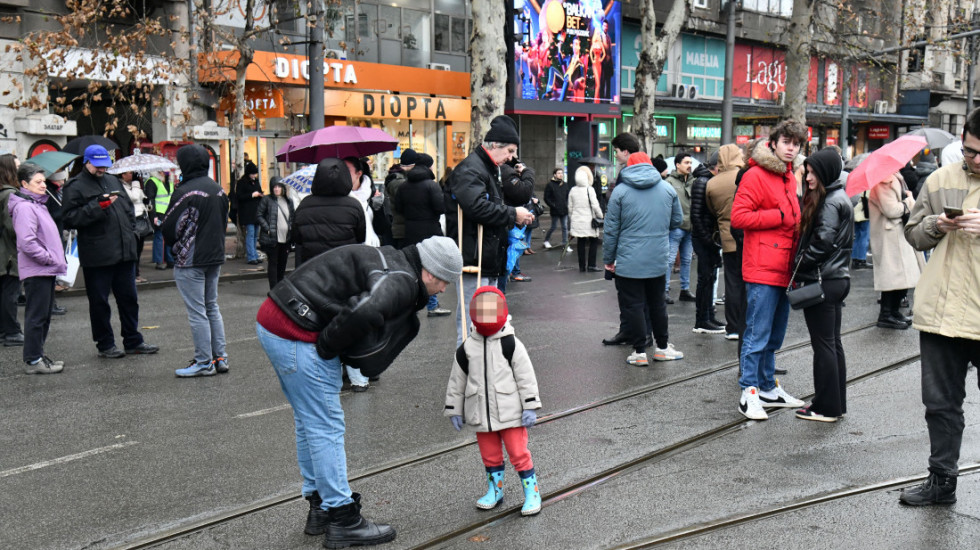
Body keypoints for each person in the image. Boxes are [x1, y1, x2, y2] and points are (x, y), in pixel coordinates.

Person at [255, 235, 462, 547]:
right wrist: (327, 348)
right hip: (296, 330)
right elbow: (366, 310)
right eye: (445, 281)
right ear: (430, 272)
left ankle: (321, 508)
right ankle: (342, 516)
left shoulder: (394, 259)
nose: (444, 290)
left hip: (277, 317)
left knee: (309, 421)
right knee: (325, 425)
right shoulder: (402, 280)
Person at [900, 107, 980, 506]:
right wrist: (936, 225)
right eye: (969, 150)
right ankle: (942, 482)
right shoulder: (940, 178)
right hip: (941, 314)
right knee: (940, 405)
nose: (976, 159)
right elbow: (913, 233)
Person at [730, 120, 808, 421]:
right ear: (773, 143)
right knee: (757, 334)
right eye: (786, 142)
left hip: (783, 267)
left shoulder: (789, 176)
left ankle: (766, 386)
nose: (791, 148)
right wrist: (778, 215)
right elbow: (738, 217)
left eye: (796, 144)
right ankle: (748, 390)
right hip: (762, 267)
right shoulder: (755, 174)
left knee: (774, 335)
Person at [445, 286, 543, 516]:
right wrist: (454, 409)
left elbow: (526, 377)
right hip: (480, 414)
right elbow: (457, 380)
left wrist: (529, 405)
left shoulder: (511, 344)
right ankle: (495, 490)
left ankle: (532, 492)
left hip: (511, 414)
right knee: (489, 455)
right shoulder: (467, 347)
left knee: (518, 454)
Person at [61, 145, 159, 359]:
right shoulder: (75, 186)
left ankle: (133, 341)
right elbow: (68, 218)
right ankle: (105, 344)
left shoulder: (112, 180)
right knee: (100, 303)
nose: (101, 169)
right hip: (98, 255)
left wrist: (132, 232)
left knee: (129, 300)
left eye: (104, 165)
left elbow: (127, 209)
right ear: (87, 162)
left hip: (124, 251)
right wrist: (98, 206)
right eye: (97, 165)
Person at [447, 115, 535, 347]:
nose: (511, 157)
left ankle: (481, 369)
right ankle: (467, 371)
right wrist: (512, 214)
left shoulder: (489, 168)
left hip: (486, 259)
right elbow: (476, 207)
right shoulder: (471, 169)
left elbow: (491, 206)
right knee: (471, 322)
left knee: (485, 321)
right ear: (494, 145)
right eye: (509, 150)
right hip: (474, 260)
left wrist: (511, 214)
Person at [603, 152, 684, 366]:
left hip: (628, 259)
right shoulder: (667, 188)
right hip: (657, 257)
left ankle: (639, 352)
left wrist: (609, 259)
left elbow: (611, 230)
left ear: (628, 167)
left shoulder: (619, 191)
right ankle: (663, 348)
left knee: (633, 305)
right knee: (657, 304)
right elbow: (677, 220)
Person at [791, 148, 852, 422]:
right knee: (832, 343)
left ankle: (825, 407)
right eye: (807, 171)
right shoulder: (839, 197)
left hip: (823, 280)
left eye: (814, 172)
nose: (808, 176)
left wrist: (798, 263)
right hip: (837, 278)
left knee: (824, 345)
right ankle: (833, 402)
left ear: (826, 172)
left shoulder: (829, 202)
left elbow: (822, 243)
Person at [161, 145, 230, 378]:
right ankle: (220, 357)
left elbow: (170, 228)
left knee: (197, 311)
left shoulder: (185, 192)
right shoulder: (219, 190)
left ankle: (203, 361)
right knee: (211, 306)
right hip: (215, 255)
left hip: (190, 258)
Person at [9, 163, 67, 373]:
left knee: (43, 316)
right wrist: (49, 258)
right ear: (24, 183)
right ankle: (34, 361)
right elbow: (27, 242)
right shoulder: (25, 207)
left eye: (44, 181)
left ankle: (38, 356)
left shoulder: (36, 203)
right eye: (38, 182)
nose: (44, 185)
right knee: (37, 316)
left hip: (45, 268)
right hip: (39, 269)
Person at [395, 153, 452, 316]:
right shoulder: (431, 185)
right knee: (431, 268)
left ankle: (412, 303)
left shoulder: (404, 186)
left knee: (414, 267)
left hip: (410, 229)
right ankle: (432, 305)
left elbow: (398, 208)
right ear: (428, 166)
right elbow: (440, 207)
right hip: (430, 230)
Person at [869, 172, 922, 329]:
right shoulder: (883, 182)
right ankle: (886, 314)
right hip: (889, 234)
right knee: (892, 276)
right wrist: (909, 202)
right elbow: (890, 210)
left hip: (896, 233)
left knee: (901, 276)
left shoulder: (894, 177)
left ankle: (893, 311)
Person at [706, 144, 747, 341]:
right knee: (749, 283)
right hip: (748, 235)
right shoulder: (746, 176)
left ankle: (732, 327)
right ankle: (747, 324)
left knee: (732, 283)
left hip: (727, 237)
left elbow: (712, 210)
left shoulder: (713, 183)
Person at [292, 158, 365, 265]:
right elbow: (361, 236)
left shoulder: (304, 205)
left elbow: (297, 237)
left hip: (312, 267)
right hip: (344, 266)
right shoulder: (354, 205)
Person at [689, 152, 725, 334]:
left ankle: (708, 316)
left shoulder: (706, 180)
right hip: (704, 238)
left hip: (708, 237)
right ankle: (702, 319)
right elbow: (696, 215)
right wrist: (707, 239)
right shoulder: (703, 182)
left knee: (710, 277)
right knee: (705, 279)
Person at [665, 152, 696, 303]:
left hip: (690, 227)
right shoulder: (669, 182)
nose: (689, 165)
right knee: (669, 260)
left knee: (686, 260)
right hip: (676, 227)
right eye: (686, 162)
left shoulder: (693, 181)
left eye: (690, 163)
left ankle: (685, 289)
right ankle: (664, 290)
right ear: (677, 165)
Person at [0, 153, 24, 347]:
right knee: (10, 292)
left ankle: (5, 330)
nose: (20, 169)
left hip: (3, 251)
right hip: (8, 252)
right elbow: (12, 227)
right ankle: (12, 331)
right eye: (17, 166)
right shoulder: (11, 194)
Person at [256, 179, 295, 290]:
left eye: (278, 186)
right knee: (273, 263)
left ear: (283, 188)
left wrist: (291, 230)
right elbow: (259, 215)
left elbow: (292, 217)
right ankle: (273, 289)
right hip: (272, 238)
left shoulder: (289, 201)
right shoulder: (267, 200)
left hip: (286, 237)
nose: (276, 189)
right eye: (274, 187)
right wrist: (267, 228)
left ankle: (280, 288)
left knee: (282, 264)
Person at [567, 166, 603, 272]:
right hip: (589, 221)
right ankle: (591, 265)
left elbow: (570, 208)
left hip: (577, 221)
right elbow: (595, 205)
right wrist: (600, 215)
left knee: (581, 243)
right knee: (593, 241)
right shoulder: (589, 189)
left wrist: (572, 219)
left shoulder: (573, 190)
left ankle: (581, 266)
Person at [44, 170, 71, 306]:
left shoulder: (54, 191)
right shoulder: (48, 192)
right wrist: (63, 212)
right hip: (53, 233)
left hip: (59, 230)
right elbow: (51, 214)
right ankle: (51, 303)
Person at [120, 171, 150, 284]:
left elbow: (141, 196)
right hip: (132, 220)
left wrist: (145, 199)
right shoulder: (123, 186)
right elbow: (134, 197)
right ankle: (132, 274)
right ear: (123, 175)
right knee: (134, 249)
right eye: (129, 173)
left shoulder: (132, 186)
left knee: (139, 248)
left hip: (141, 218)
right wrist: (136, 183)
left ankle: (136, 274)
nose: (132, 175)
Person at [385, 148, 417, 248]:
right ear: (412, 165)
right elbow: (408, 203)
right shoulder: (398, 181)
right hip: (400, 230)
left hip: (403, 228)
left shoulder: (401, 179)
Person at [144, 171, 174, 269]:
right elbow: (150, 200)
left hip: (169, 213)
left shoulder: (170, 182)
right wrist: (154, 216)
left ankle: (170, 260)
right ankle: (159, 261)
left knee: (169, 235)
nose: (166, 172)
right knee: (159, 235)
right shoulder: (152, 181)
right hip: (159, 213)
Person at [236, 161, 263, 265]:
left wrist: (259, 195)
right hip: (247, 213)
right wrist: (252, 195)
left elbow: (259, 191)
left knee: (255, 235)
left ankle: (254, 255)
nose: (254, 176)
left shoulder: (255, 181)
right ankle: (251, 257)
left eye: (255, 174)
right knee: (251, 234)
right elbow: (239, 196)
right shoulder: (242, 182)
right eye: (252, 174)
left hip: (256, 212)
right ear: (248, 174)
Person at [542, 167, 569, 250]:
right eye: (558, 173)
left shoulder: (565, 184)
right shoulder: (550, 185)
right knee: (553, 226)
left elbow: (567, 196)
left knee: (565, 227)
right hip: (555, 210)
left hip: (564, 209)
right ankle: (546, 240)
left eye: (561, 173)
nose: (561, 175)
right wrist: (553, 205)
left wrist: (566, 204)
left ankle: (565, 243)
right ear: (554, 175)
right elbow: (546, 198)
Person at [850, 190, 872, 269]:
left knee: (857, 237)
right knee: (864, 237)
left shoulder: (855, 188)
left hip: (855, 214)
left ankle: (855, 259)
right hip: (864, 214)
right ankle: (861, 259)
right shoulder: (867, 188)